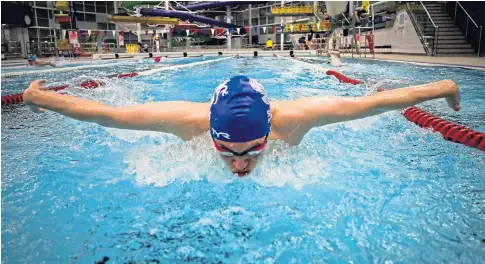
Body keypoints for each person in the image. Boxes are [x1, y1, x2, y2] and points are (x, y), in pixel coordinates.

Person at [23, 76, 461, 177]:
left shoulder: (298, 118)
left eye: (254, 150)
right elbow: (107, 114)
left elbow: (373, 104)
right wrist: (38, 97)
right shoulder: (186, 122)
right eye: (226, 151)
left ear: (270, 131)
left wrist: (440, 87)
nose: (240, 165)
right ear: (210, 133)